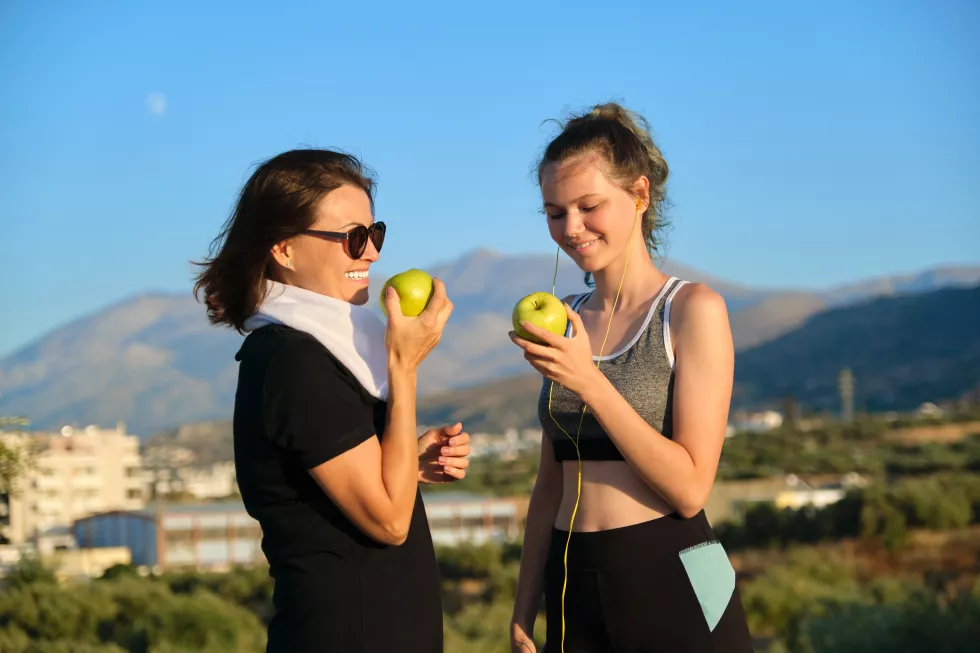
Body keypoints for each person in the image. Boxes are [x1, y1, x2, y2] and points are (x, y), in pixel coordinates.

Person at [193, 148, 471, 653]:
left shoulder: (318, 351)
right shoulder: (292, 359)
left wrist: (408, 461)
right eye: (352, 237)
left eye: (375, 233)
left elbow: (356, 487)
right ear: (285, 249)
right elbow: (389, 521)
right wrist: (403, 367)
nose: (371, 254)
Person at [509, 104, 754, 653]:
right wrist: (524, 608)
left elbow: (690, 490)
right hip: (573, 587)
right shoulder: (564, 316)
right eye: (554, 212)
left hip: (673, 575)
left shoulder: (692, 310)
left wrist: (589, 381)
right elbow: (551, 485)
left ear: (639, 195)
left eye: (588, 206)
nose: (571, 229)